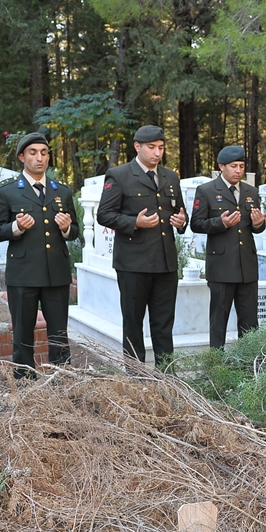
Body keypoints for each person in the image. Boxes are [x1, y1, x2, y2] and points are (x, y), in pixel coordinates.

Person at [0, 132, 80, 380]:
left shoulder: (61, 190)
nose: (40, 158)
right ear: (21, 157)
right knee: (23, 334)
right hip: (24, 274)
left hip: (56, 273)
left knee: (59, 333)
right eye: (33, 152)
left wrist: (66, 227)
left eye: (44, 152)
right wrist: (16, 228)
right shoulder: (7, 191)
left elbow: (75, 232)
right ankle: (26, 385)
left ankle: (61, 382)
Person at [96, 125, 188, 367]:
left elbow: (178, 211)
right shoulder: (120, 175)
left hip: (165, 261)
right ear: (137, 147)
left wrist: (181, 221)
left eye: (160, 148)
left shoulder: (170, 177)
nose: (157, 153)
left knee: (164, 322)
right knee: (133, 322)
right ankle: (137, 376)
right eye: (151, 148)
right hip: (133, 263)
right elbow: (104, 215)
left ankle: (167, 372)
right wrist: (134, 222)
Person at [190, 145, 265, 348]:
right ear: (221, 166)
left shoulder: (251, 192)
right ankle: (216, 364)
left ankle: (249, 365)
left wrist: (259, 224)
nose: (238, 171)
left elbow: (255, 227)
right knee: (218, 320)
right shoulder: (206, 191)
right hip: (222, 267)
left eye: (241, 166)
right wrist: (221, 223)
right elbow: (196, 223)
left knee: (249, 321)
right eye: (233, 166)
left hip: (247, 267)